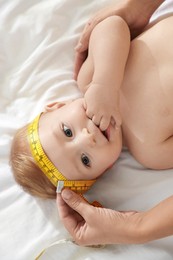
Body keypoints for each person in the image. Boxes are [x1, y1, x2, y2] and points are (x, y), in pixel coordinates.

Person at [56, 0, 173, 246]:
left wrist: (105, 82)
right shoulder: (150, 152)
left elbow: (114, 25)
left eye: (67, 131)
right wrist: (137, 227)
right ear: (107, 169)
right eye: (85, 159)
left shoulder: (90, 80)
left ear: (57, 106)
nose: (87, 137)